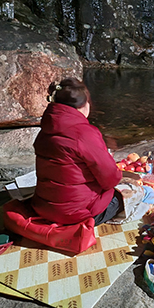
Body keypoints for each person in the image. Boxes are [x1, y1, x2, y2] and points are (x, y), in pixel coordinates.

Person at [31, 77, 123, 226]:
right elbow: (110, 179)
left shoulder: (45, 130)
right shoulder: (85, 134)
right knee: (129, 195)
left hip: (43, 208)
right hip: (76, 214)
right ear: (83, 105)